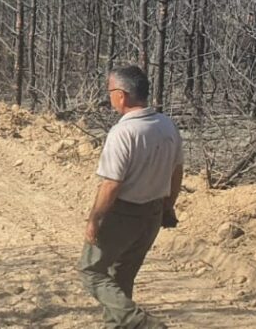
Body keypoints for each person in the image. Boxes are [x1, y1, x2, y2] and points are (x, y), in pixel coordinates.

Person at [78, 65, 183, 329]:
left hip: (123, 214)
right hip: (153, 214)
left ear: (122, 95)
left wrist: (94, 219)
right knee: (122, 275)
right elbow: (177, 172)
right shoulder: (167, 125)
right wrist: (168, 207)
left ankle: (139, 322)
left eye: (110, 91)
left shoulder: (123, 133)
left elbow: (111, 184)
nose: (109, 97)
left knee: (91, 271)